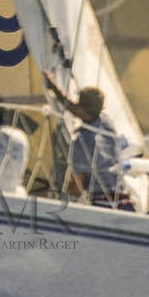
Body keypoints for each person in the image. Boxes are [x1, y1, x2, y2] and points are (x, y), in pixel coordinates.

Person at [43, 73, 129, 205]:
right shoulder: (106, 123)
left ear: (81, 108)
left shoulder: (80, 143)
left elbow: (78, 187)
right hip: (124, 199)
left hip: (102, 202)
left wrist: (66, 197)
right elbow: (74, 108)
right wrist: (55, 89)